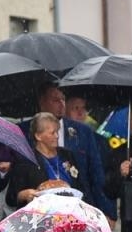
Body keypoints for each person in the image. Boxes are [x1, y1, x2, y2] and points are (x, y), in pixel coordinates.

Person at [36, 85, 113, 220]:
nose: (61, 104)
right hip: (40, 212)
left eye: (63, 99)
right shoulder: (25, 130)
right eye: (55, 100)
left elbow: (96, 173)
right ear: (42, 102)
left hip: (78, 209)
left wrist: (107, 211)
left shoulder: (83, 131)